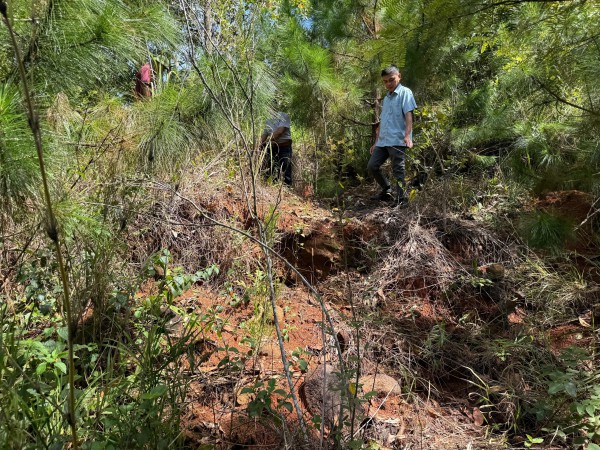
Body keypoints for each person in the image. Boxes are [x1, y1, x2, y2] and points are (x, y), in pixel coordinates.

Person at [367, 65, 417, 205]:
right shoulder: (387, 98)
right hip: (383, 141)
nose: (388, 84)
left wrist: (407, 136)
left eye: (391, 80)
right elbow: (383, 121)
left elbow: (408, 115)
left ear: (399, 77)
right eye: (385, 81)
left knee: (398, 170)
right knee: (372, 166)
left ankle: (402, 199)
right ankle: (386, 190)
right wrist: (376, 142)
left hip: (397, 139)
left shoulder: (405, 93)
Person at [260, 111, 292, 186]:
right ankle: (272, 187)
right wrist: (259, 144)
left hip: (284, 148)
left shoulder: (284, 116)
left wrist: (266, 142)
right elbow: (265, 134)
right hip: (272, 148)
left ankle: (287, 190)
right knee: (272, 170)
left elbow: (279, 132)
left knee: (286, 170)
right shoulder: (268, 119)